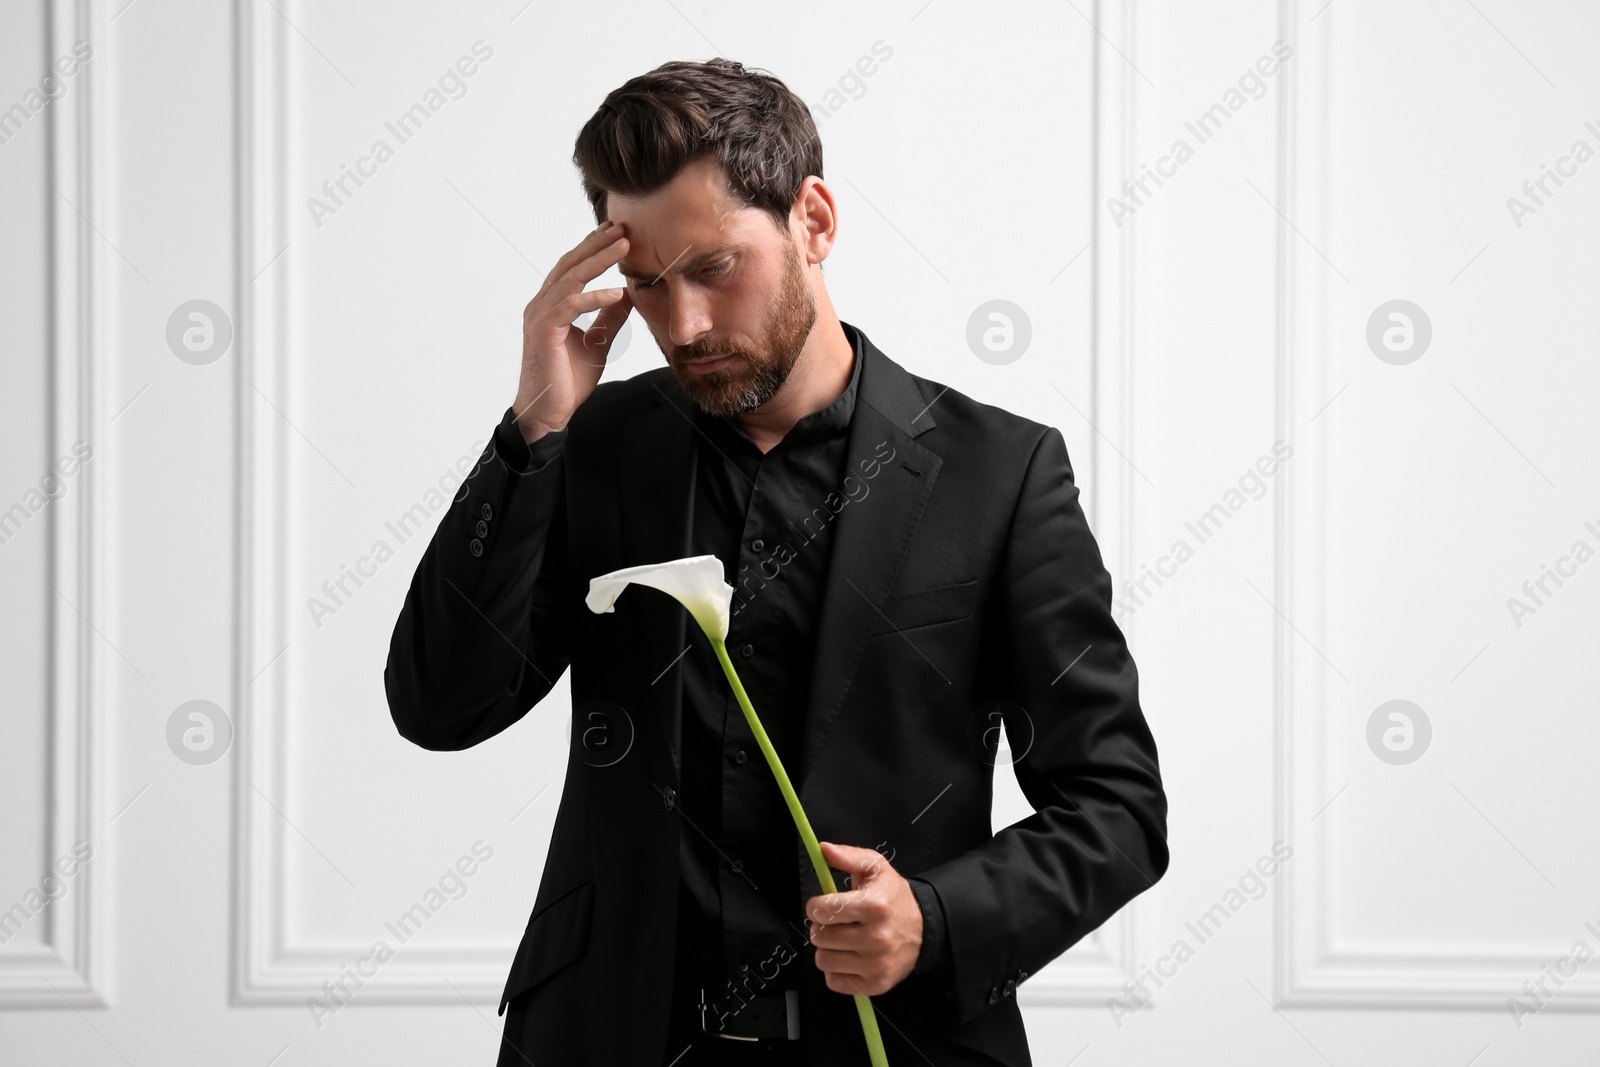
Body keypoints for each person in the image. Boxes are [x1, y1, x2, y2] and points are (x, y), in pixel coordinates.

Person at [384, 57, 1168, 1067]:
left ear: (814, 220)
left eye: (713, 267)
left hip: (895, 1042)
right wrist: (532, 434)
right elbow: (441, 705)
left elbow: (1116, 807)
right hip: (606, 1037)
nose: (683, 325)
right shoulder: (592, 444)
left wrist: (934, 917)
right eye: (649, 284)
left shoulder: (1000, 474)